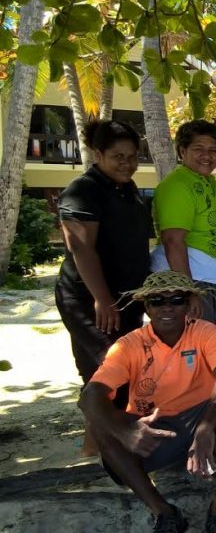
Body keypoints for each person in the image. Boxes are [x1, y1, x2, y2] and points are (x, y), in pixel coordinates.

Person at [78, 271, 216, 533]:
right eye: (157, 300)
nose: (167, 307)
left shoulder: (204, 332)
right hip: (151, 431)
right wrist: (125, 431)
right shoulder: (130, 344)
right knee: (100, 424)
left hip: (198, 419)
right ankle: (164, 512)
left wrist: (206, 427)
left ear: (189, 304)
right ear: (147, 306)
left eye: (177, 299)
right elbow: (90, 396)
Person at [56, 120, 151, 412]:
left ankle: (96, 443)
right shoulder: (83, 190)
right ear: (98, 154)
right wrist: (102, 298)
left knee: (120, 372)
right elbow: (81, 249)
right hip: (90, 300)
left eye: (133, 156)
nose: (127, 163)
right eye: (118, 157)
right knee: (111, 369)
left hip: (128, 298)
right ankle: (109, 446)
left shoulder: (128, 188)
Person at [151, 120, 216, 325]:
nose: (207, 156)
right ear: (182, 151)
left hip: (206, 283)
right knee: (189, 353)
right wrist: (189, 292)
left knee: (202, 352)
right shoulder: (178, 185)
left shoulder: (206, 184)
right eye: (198, 149)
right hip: (189, 284)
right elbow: (173, 241)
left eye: (213, 150)